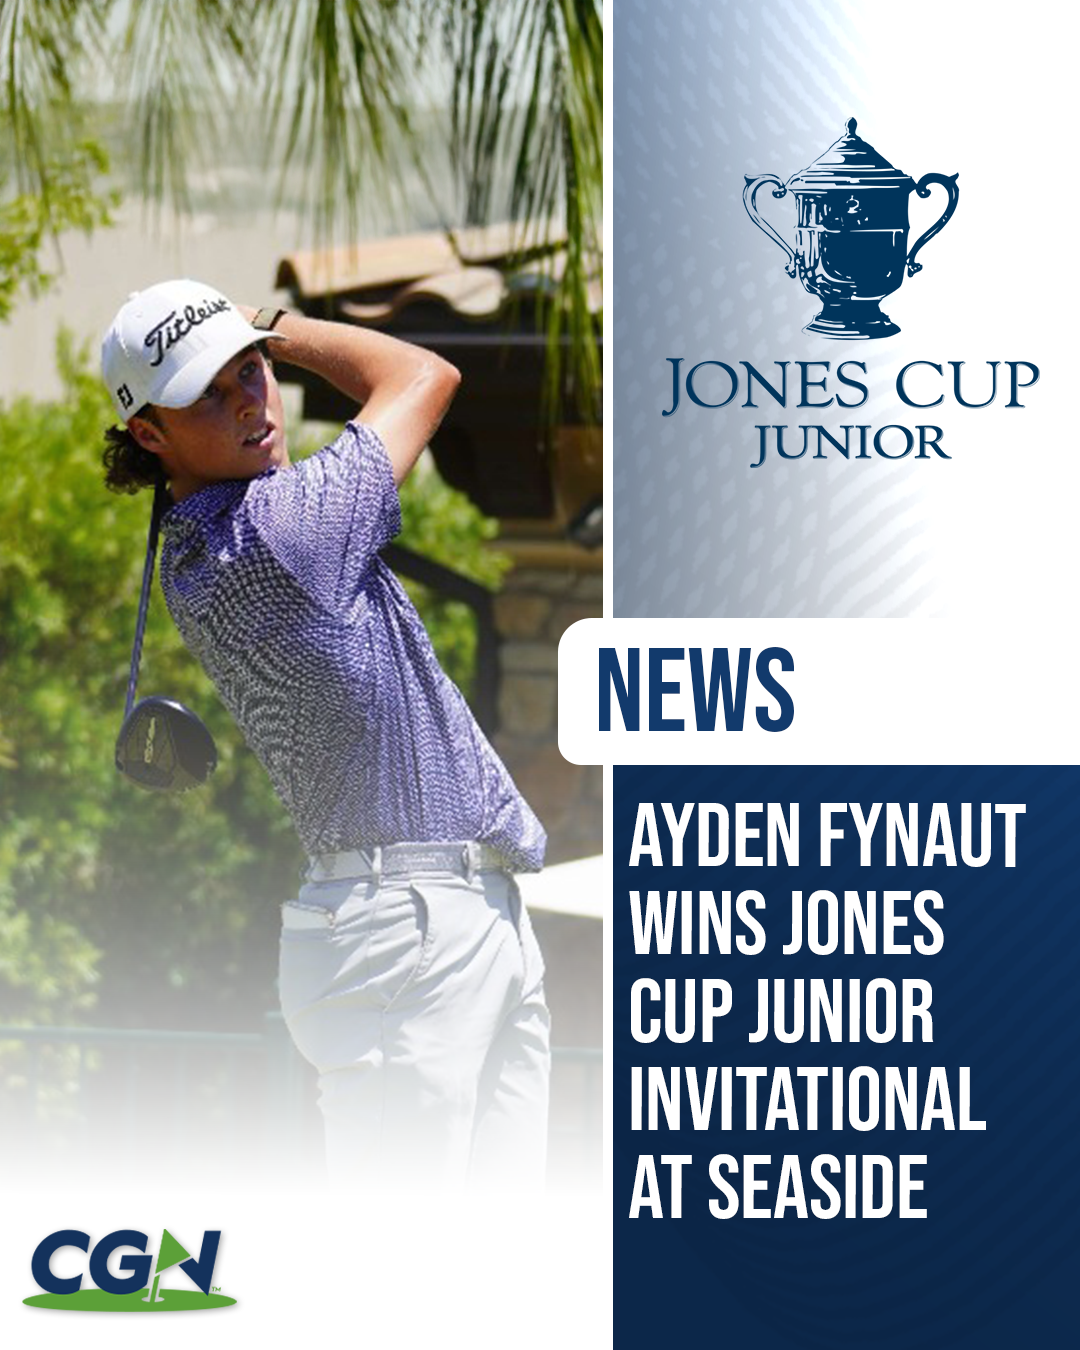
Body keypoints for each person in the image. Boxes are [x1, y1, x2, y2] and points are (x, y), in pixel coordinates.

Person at [100, 278, 550, 1189]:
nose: (250, 403)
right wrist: (280, 329)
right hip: (406, 933)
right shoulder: (279, 533)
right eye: (209, 392)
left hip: (455, 918)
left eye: (250, 371)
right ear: (149, 433)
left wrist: (246, 342)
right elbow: (423, 374)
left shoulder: (222, 532)